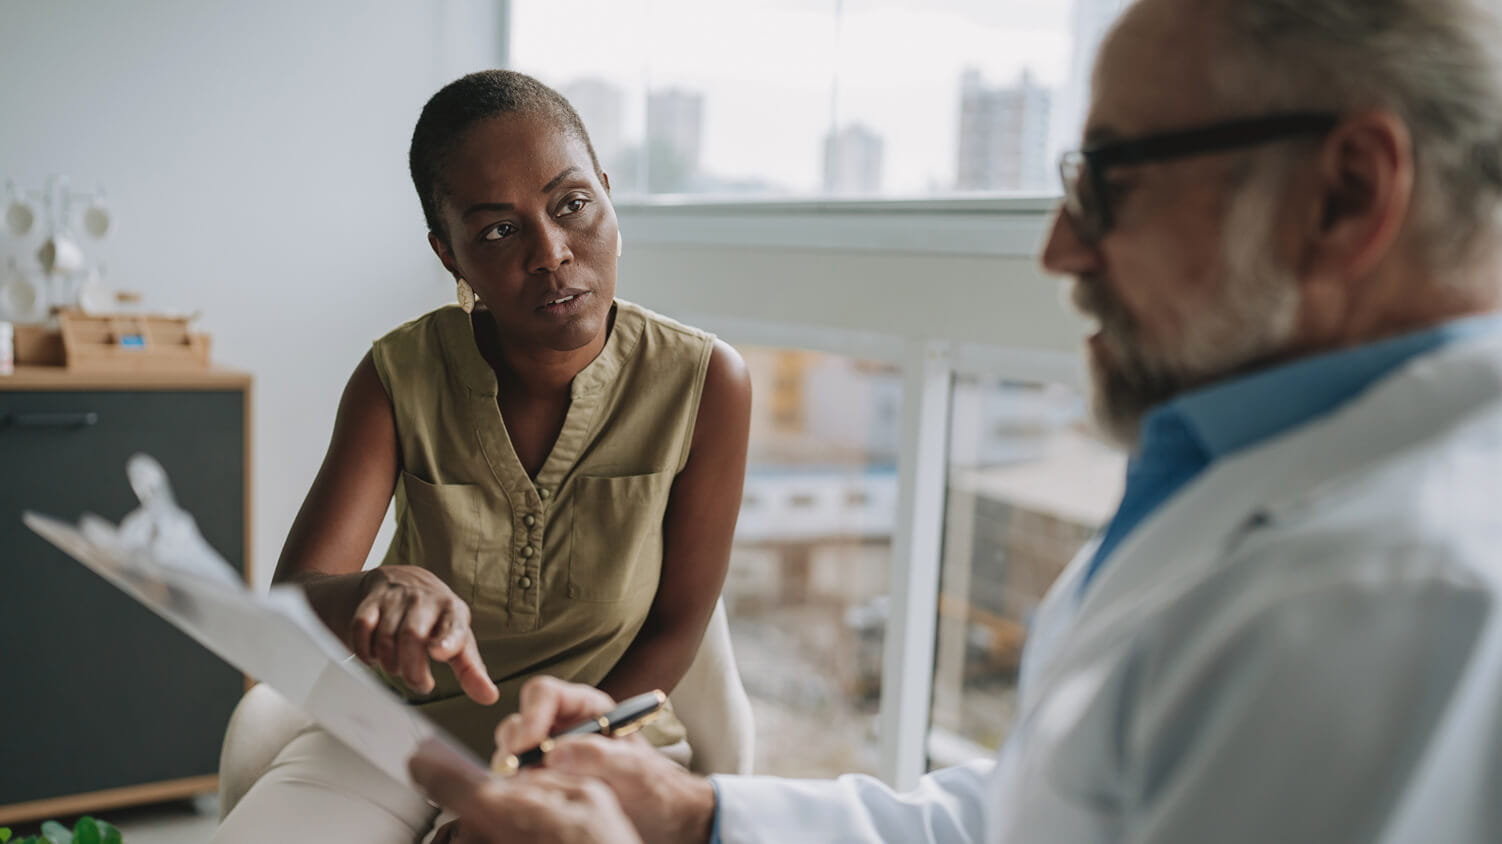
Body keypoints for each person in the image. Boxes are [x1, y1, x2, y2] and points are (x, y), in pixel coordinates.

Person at [410, 0, 1502, 840]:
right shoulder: (1258, 473)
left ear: (1344, 196)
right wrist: (699, 818)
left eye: (1110, 181)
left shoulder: (1391, 598)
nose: (1059, 250)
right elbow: (1040, 808)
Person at [214, 70, 752, 843]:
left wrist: (551, 760)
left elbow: (677, 627)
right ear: (450, 254)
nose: (552, 252)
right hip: (393, 738)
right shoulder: (397, 376)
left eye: (571, 205)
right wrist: (376, 586)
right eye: (498, 231)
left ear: (606, 193)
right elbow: (296, 600)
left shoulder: (704, 382)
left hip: (595, 739)